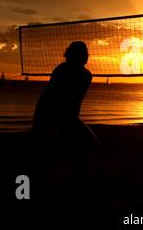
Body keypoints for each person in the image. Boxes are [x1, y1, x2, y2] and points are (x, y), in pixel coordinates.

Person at [32, 41, 99, 206]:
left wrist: (40, 122)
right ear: (83, 56)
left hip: (48, 114)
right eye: (85, 53)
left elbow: (50, 96)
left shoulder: (62, 70)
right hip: (57, 116)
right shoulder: (83, 75)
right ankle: (78, 185)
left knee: (49, 151)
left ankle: (69, 184)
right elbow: (72, 102)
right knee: (89, 145)